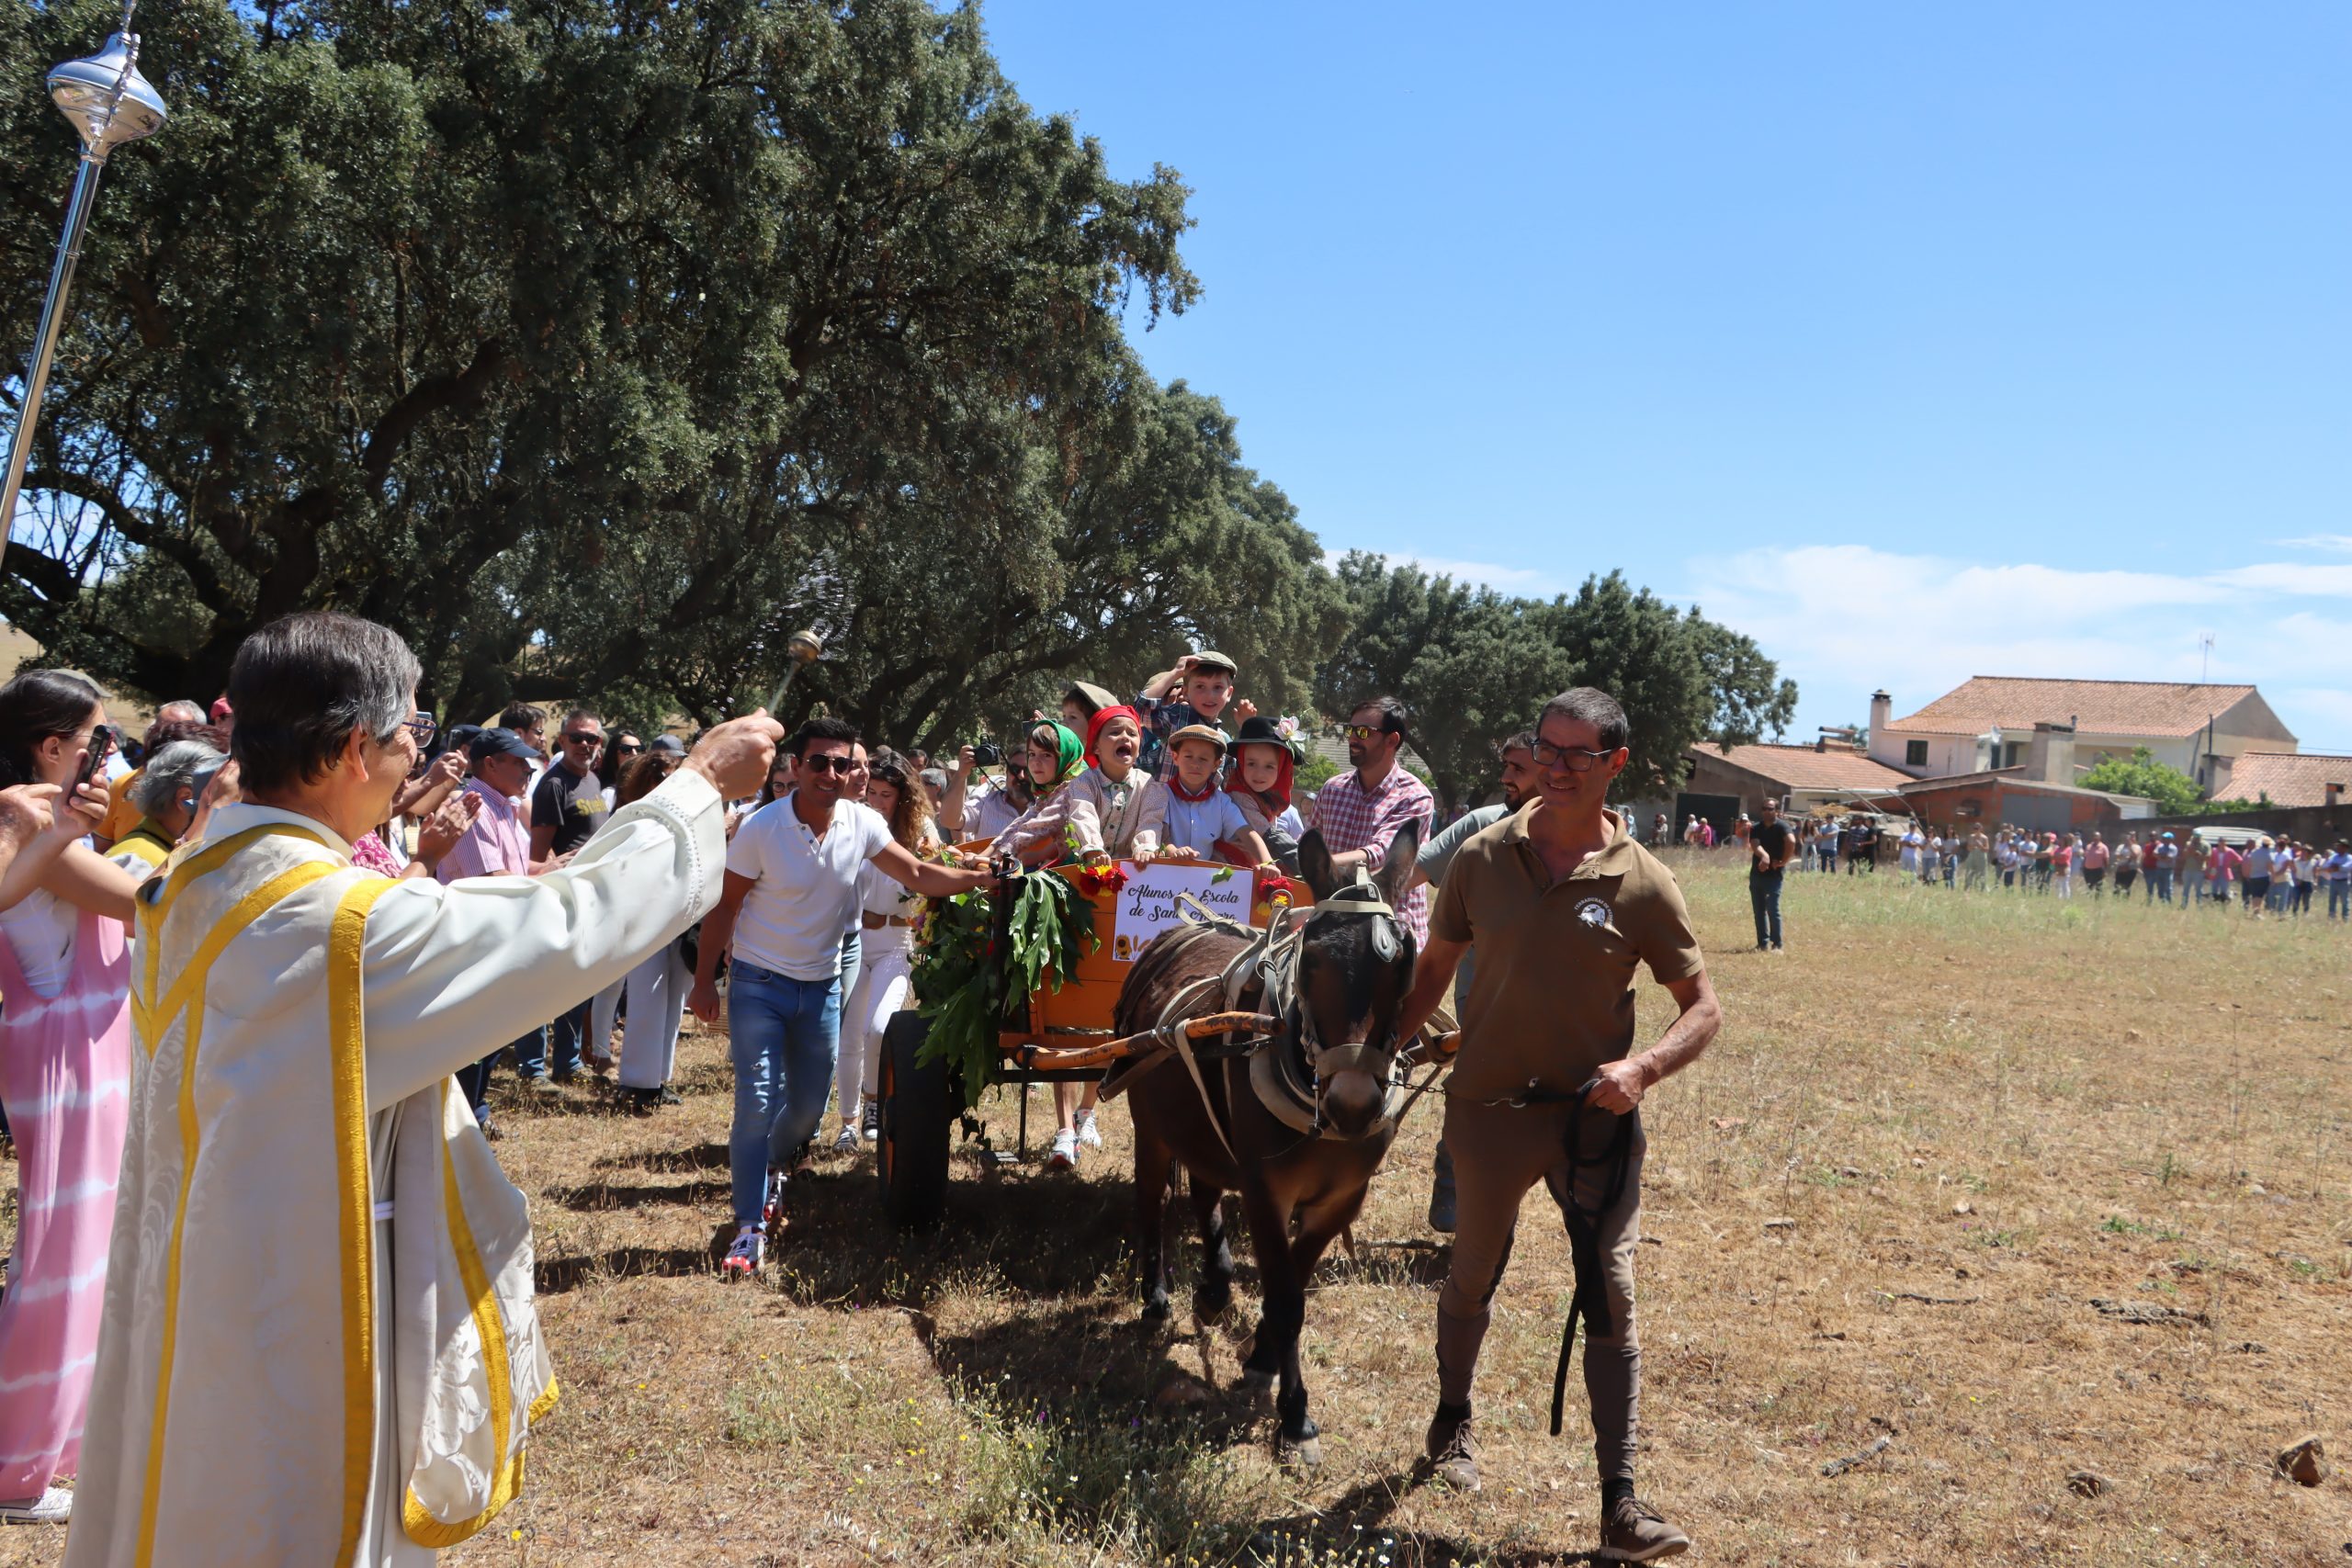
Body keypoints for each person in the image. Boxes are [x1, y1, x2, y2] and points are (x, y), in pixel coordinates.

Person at [62, 613, 778, 1566]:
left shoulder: (199, 874)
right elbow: (569, 925)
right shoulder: (332, 929)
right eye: (411, 734)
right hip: (297, 1321)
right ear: (354, 747)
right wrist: (695, 789)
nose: (416, 756)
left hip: (199, 1281)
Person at [1392, 687, 1719, 1560]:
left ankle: (1621, 1503)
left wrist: (1644, 1067)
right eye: (1548, 748)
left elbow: (1703, 1007)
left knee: (1610, 1289)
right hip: (1488, 1112)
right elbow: (1435, 966)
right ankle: (1452, 1418)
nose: (1558, 767)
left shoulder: (1644, 881)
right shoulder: (1481, 856)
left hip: (1592, 1122)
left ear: (1616, 763)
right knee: (1470, 1277)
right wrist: (1379, 1047)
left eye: (1580, 754)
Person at [687, 718, 1002, 1277]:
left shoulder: (861, 823)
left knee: (808, 1107)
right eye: (818, 763)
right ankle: (748, 1226)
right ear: (794, 767)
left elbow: (917, 873)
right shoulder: (762, 828)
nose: (831, 774)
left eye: (842, 764)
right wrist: (703, 979)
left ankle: (777, 1164)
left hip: (824, 986)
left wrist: (978, 880)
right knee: (757, 1101)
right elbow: (726, 907)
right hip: (759, 984)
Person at [0, 671, 137, 1527]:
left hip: (81, 1059)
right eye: (97, 741)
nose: (103, 757)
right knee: (56, 1256)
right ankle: (16, 1463)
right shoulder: (26, 823)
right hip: (61, 1060)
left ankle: (48, 1445)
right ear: (53, 747)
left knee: (80, 1253)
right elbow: (142, 902)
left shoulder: (44, 823)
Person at [1408, 730, 1540, 1234]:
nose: (1505, 777)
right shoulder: (1482, 826)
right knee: (1482, 1092)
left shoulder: (1578, 838)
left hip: (1554, 1000)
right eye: (1504, 766)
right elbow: (1414, 873)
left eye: (1517, 768)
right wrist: (1348, 901)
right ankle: (1453, 1185)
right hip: (1483, 995)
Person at [831, 749, 937, 1152]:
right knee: (850, 1034)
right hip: (856, 941)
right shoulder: (853, 823)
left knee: (880, 1027)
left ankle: (874, 1101)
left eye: (886, 795)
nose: (876, 801)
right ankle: (848, 1122)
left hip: (897, 943)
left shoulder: (920, 830)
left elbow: (931, 877)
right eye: (871, 792)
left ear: (902, 798)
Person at [584, 749, 696, 1112]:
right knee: (647, 1000)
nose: (668, 784)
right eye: (662, 776)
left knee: (673, 1002)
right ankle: (636, 1082)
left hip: (678, 919)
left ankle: (658, 1079)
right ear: (647, 779)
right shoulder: (631, 818)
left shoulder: (686, 818)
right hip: (642, 920)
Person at [1313, 697, 1436, 943]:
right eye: (1350, 730)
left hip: (1391, 933)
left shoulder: (1415, 797)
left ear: (1391, 740)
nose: (1352, 738)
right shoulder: (1332, 789)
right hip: (1335, 929)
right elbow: (1311, 839)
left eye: (1363, 732)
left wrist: (1321, 864)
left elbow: (1381, 853)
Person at [1154, 726, 1271, 867]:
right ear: (1175, 757)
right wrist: (1173, 851)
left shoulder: (1222, 802)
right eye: (1188, 756)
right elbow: (1160, 836)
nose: (1195, 764)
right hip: (1163, 877)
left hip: (1206, 882)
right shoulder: (1161, 795)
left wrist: (1268, 863)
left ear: (1216, 764)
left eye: (1203, 759)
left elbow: (1247, 833)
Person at [1062, 705, 1166, 861]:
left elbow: (1150, 821)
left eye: (1132, 733)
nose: (1125, 737)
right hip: (1086, 868)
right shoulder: (1084, 783)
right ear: (1096, 747)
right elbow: (1083, 815)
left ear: (1138, 749)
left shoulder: (1148, 786)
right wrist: (1093, 850)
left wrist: (1145, 848)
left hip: (1133, 871)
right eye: (1115, 732)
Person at [987, 720, 1094, 866]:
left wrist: (996, 858)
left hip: (1087, 871)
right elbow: (1022, 822)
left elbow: (1035, 828)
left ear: (1064, 757)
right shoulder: (1051, 791)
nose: (1035, 762)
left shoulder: (1074, 789)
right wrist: (988, 852)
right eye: (1031, 754)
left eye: (1046, 755)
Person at [1135, 650, 1251, 776]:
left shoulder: (1223, 740)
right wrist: (1175, 673)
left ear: (1229, 693)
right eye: (1200, 686)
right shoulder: (1177, 717)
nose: (1209, 695)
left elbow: (1237, 775)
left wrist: (1247, 727)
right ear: (1185, 692)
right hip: (1165, 795)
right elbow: (1141, 711)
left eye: (1217, 687)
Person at [1226, 716, 1304, 875]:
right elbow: (1271, 838)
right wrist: (1308, 866)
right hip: (1230, 870)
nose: (1259, 773)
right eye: (1251, 763)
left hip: (1254, 868)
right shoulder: (1240, 796)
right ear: (1240, 762)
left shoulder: (1269, 800)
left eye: (1269, 766)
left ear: (1282, 769)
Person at [1749, 797, 1794, 950]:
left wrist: (1784, 862)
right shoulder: (1756, 827)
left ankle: (1777, 944)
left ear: (1777, 811)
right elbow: (1755, 845)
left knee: (1772, 910)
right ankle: (1762, 943)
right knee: (1759, 910)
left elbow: (1791, 842)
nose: (1766, 811)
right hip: (1757, 873)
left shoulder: (1782, 827)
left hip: (1774, 876)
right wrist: (1765, 856)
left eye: (1770, 809)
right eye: (1764, 808)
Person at [2324, 840, 2352, 920]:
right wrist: (2335, 868)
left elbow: (2346, 868)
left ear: (2345, 848)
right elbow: (2327, 867)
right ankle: (2331, 917)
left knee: (2344, 901)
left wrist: (2336, 867)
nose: (2338, 848)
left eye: (2341, 846)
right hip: (2333, 881)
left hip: (2344, 882)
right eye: (2338, 846)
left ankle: (2345, 918)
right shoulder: (2333, 856)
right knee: (2332, 900)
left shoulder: (2350, 858)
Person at [2149, 830, 2179, 904]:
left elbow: (2168, 858)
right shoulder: (2160, 846)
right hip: (2159, 869)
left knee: (2168, 887)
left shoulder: (2173, 848)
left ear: (2171, 839)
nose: (2164, 839)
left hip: (2168, 870)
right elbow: (2154, 854)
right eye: (2164, 838)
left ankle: (2169, 903)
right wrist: (2163, 857)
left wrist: (2160, 857)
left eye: (2166, 838)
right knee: (2160, 887)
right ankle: (2161, 902)